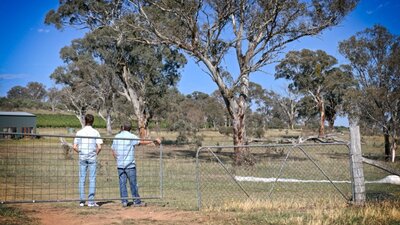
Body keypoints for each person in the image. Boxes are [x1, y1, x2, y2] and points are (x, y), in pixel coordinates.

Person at [111, 122, 161, 207]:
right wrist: (153, 141)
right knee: (133, 183)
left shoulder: (117, 136)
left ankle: (124, 201)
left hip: (120, 164)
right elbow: (142, 142)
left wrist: (117, 159)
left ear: (122, 127)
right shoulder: (131, 136)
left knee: (122, 183)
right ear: (130, 129)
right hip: (130, 165)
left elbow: (113, 149)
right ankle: (136, 201)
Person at [73, 114, 103, 207]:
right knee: (92, 178)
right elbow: (99, 147)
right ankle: (91, 201)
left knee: (82, 179)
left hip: (82, 157)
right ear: (92, 121)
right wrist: (95, 154)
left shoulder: (79, 132)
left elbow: (74, 147)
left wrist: (80, 152)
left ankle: (82, 201)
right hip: (92, 157)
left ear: (85, 121)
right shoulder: (96, 132)